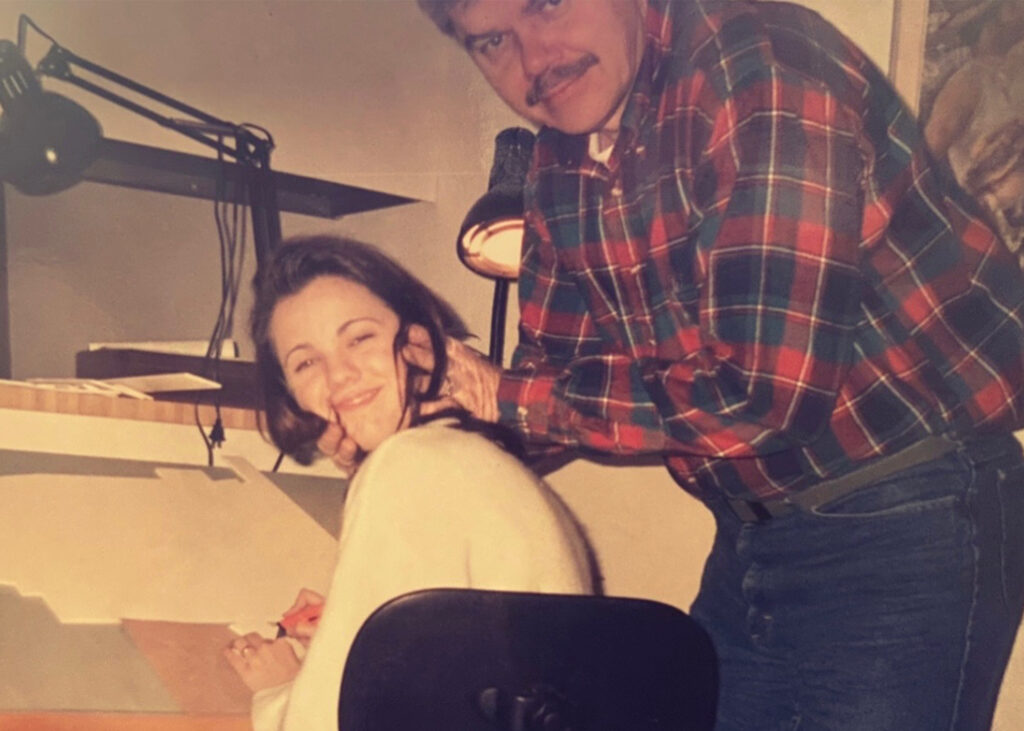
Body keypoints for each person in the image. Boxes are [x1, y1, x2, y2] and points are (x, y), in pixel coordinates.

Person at [398, 1, 1024, 729]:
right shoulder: (559, 160)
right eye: (494, 41)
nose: (534, 61)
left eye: (546, 3)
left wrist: (502, 396)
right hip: (750, 536)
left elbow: (763, 395)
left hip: (908, 514)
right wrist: (422, 426)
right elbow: (556, 380)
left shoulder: (758, 66)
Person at [223, 235, 595, 731]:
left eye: (359, 338)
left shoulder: (410, 469)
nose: (340, 375)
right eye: (306, 362)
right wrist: (348, 637)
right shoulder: (467, 456)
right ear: (292, 393)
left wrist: (280, 689)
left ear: (418, 344)